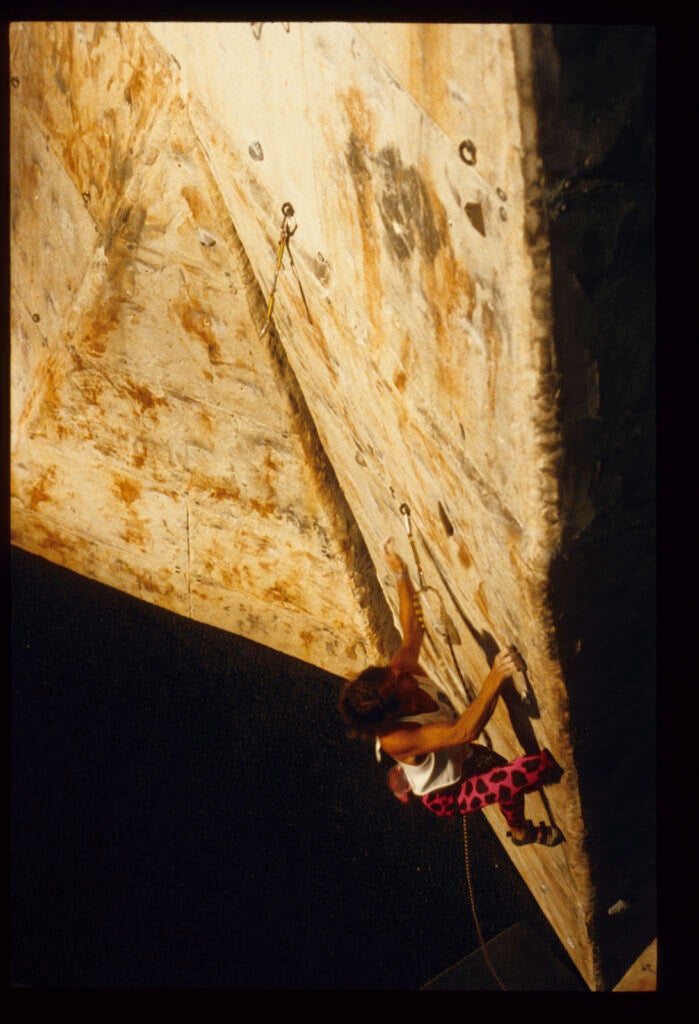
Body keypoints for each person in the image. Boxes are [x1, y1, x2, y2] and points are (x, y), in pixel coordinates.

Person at [338, 538, 564, 846]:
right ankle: (530, 823)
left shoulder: (398, 672)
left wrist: (401, 573)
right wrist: (496, 674)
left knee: (506, 781)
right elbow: (465, 730)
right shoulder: (397, 738)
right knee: (532, 769)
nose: (403, 670)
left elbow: (412, 631)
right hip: (449, 792)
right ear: (395, 711)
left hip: (460, 754)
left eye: (393, 672)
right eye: (398, 681)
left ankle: (520, 832)